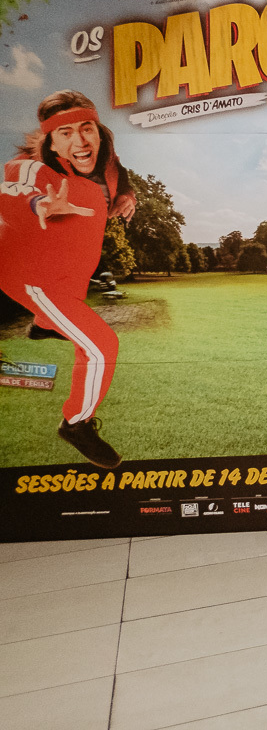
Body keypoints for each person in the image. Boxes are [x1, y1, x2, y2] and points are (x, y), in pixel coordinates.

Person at [0, 90, 138, 469]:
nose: (79, 141)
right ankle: (76, 424)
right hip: (28, 274)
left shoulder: (107, 160)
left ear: (98, 130)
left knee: (73, 294)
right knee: (101, 346)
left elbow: (119, 177)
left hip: (67, 270)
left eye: (86, 128)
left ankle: (44, 325)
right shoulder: (31, 168)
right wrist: (38, 204)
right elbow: (10, 189)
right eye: (64, 132)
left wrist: (127, 196)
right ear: (50, 141)